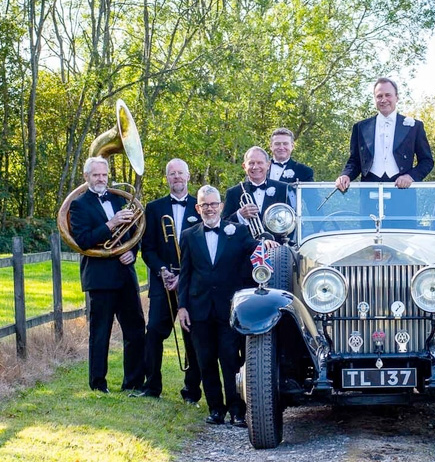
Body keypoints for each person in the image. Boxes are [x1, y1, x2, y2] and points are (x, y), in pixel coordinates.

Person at [177, 185, 278, 427]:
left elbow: (255, 249)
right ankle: (215, 410)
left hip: (230, 309)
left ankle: (237, 410)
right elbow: (186, 273)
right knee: (205, 360)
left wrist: (267, 246)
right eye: (205, 205)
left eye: (214, 204)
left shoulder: (239, 232)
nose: (210, 208)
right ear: (198, 208)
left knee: (231, 360)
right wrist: (182, 307)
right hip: (199, 309)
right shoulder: (189, 235)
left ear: (221, 206)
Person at [68, 156, 145, 393]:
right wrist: (111, 224)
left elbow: (134, 232)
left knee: (135, 328)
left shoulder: (118, 199)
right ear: (86, 177)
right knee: (100, 332)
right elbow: (82, 240)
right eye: (96, 175)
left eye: (104, 174)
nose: (101, 179)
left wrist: (131, 252)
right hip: (100, 278)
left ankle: (132, 383)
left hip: (125, 274)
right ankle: (98, 384)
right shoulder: (78, 205)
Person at [134, 159, 202, 402]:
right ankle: (152, 386)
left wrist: (183, 274)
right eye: (172, 174)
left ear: (188, 176)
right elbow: (147, 248)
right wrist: (162, 270)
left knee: (192, 336)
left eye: (180, 173)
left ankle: (192, 391)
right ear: (166, 178)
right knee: (153, 332)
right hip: (163, 282)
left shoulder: (200, 206)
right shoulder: (153, 208)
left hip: (191, 282)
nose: (177, 177)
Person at [335, 77, 433, 191]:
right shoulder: (360, 127)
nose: (383, 99)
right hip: (369, 191)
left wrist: (410, 176)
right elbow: (355, 161)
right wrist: (346, 175)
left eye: (388, 95)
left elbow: (427, 161)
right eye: (379, 96)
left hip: (403, 192)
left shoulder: (414, 126)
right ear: (375, 99)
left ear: (397, 97)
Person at [221, 146, 289, 225]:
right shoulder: (233, 192)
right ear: (244, 166)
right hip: (245, 237)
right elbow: (223, 224)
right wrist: (240, 215)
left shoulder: (284, 189)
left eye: (260, 163)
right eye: (251, 163)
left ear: (268, 165)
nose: (255, 167)